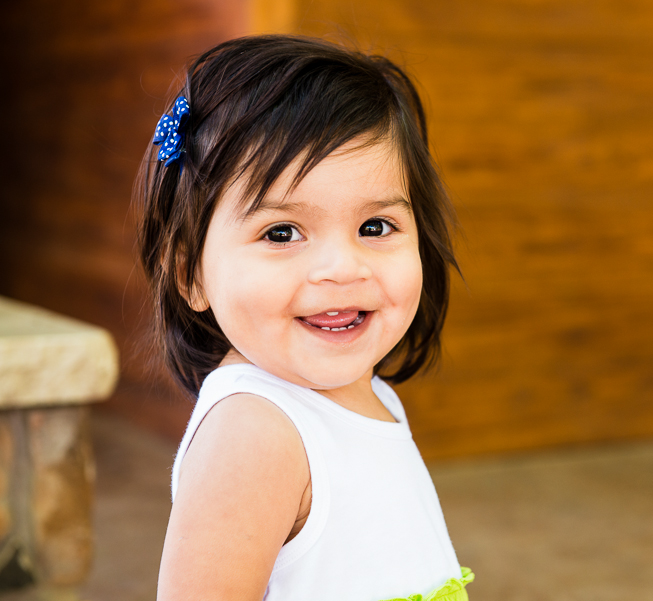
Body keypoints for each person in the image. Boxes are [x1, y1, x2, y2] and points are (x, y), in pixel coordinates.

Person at [134, 34, 474, 601]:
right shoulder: (255, 433)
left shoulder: (371, 394)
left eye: (375, 227)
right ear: (191, 273)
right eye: (282, 233)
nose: (342, 268)